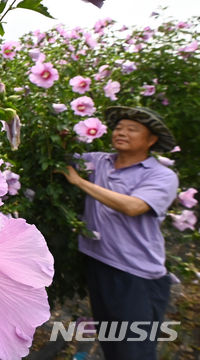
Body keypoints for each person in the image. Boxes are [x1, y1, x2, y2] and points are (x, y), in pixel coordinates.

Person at [61, 106, 179, 360]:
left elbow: (133, 206)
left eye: (132, 129)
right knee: (111, 344)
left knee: (134, 351)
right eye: (118, 128)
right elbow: (60, 157)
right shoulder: (98, 160)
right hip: (99, 264)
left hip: (136, 275)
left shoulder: (162, 175)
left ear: (151, 140)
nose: (122, 132)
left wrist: (80, 182)